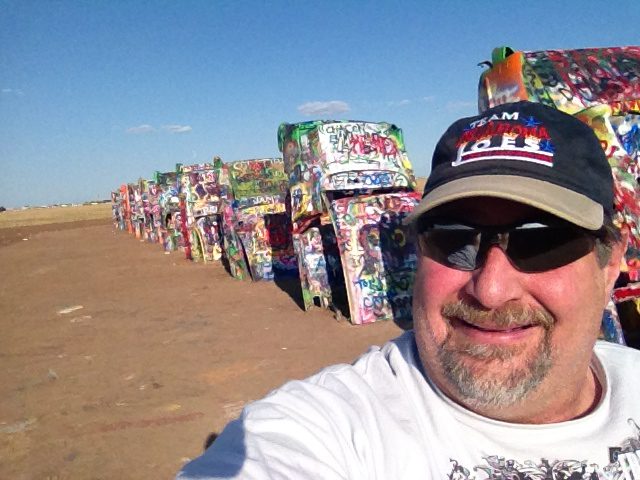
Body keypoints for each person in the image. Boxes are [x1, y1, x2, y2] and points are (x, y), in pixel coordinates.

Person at [177, 101, 640, 479]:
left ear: (610, 264)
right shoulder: (335, 427)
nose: (491, 290)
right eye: (453, 238)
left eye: (543, 240)